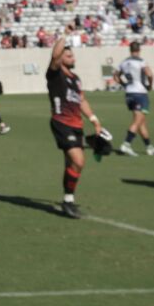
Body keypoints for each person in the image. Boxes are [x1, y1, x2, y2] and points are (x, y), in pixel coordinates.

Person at [47, 44, 102, 219]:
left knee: (71, 164)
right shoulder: (55, 74)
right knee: (78, 161)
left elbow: (82, 101)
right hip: (61, 122)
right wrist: (64, 33)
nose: (73, 58)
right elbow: (54, 55)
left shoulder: (76, 78)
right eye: (69, 56)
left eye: (73, 56)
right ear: (61, 59)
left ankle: (68, 200)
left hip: (77, 125)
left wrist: (93, 119)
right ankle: (68, 202)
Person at [113, 40, 154, 157]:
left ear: (130, 50)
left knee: (141, 122)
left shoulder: (123, 62)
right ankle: (126, 144)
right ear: (139, 50)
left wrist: (124, 85)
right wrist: (150, 86)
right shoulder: (141, 62)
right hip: (140, 93)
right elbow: (150, 74)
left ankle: (149, 147)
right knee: (138, 121)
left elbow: (115, 75)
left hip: (129, 93)